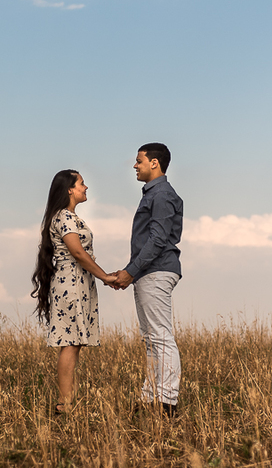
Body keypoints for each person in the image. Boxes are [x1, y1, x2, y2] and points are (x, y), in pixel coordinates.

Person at [31, 169, 118, 415]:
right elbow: (78, 253)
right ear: (69, 189)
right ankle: (64, 403)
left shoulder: (68, 217)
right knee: (70, 343)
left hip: (77, 282)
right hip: (71, 283)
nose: (86, 187)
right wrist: (105, 277)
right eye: (81, 183)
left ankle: (66, 402)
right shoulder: (65, 218)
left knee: (75, 342)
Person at [109, 143, 183, 418]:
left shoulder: (161, 194)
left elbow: (158, 240)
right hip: (148, 271)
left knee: (160, 337)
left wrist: (131, 271)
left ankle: (166, 403)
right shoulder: (155, 193)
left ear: (154, 163)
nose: (135, 166)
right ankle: (151, 399)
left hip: (156, 270)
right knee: (152, 339)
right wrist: (131, 271)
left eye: (139, 161)